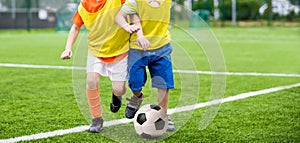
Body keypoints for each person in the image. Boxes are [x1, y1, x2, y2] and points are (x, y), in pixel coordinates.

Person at [60, 0, 138, 133]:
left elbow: (133, 11)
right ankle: (96, 118)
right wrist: (68, 48)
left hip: (120, 51)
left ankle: (116, 95)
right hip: (96, 51)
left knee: (119, 89)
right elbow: (76, 27)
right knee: (91, 81)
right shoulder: (84, 5)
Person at [115, 0, 175, 131]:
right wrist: (127, 26)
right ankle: (137, 96)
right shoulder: (134, 1)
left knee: (163, 83)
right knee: (135, 81)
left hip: (162, 46)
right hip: (137, 48)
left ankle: (163, 115)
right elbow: (119, 16)